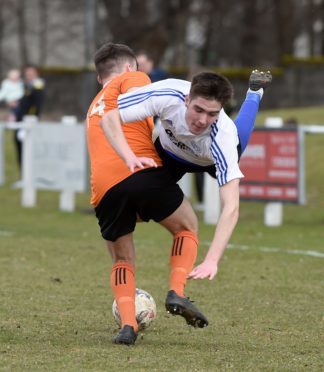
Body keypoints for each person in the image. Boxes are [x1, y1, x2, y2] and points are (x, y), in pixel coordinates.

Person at [87, 42, 208, 346]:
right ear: (130, 67)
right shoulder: (134, 79)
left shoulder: (94, 104)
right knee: (187, 226)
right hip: (140, 169)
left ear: (100, 77)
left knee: (122, 261)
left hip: (103, 189)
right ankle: (177, 292)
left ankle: (128, 325)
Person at [104, 69, 272, 282]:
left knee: (240, 135)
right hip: (169, 154)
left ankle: (254, 93)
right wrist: (128, 156)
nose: (202, 120)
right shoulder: (166, 94)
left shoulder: (224, 136)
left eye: (212, 114)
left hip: (209, 160)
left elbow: (231, 207)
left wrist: (212, 261)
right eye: (198, 109)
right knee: (128, 208)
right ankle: (124, 274)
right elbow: (109, 117)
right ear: (186, 99)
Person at [14, 65, 45, 168]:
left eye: (31, 73)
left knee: (28, 148)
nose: (28, 75)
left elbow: (37, 104)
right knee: (19, 147)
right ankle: (23, 174)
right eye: (27, 73)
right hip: (20, 120)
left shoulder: (37, 85)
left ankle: (29, 175)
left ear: (36, 73)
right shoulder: (24, 85)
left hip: (29, 121)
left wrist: (32, 119)